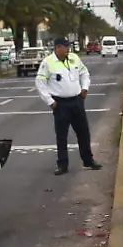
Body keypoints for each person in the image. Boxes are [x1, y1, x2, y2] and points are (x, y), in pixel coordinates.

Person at [36, 37, 102, 175]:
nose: (68, 49)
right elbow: (40, 82)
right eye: (65, 47)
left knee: (83, 133)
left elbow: (84, 73)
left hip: (77, 101)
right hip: (60, 104)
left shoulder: (74, 58)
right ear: (57, 47)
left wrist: (84, 88)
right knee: (62, 136)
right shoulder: (48, 62)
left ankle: (88, 161)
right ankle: (62, 164)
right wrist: (50, 101)